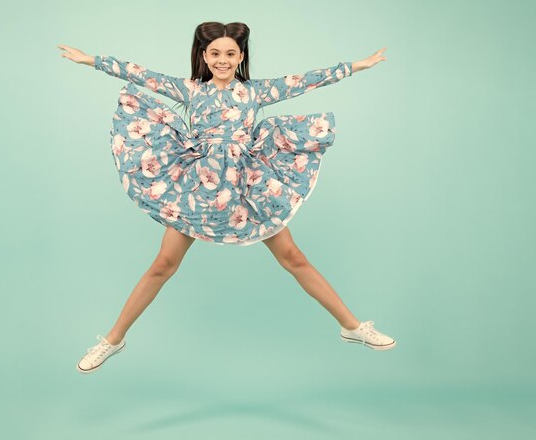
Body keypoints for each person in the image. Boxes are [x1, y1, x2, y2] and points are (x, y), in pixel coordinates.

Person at [57, 21, 396, 374]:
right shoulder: (191, 90)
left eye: (230, 54)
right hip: (198, 192)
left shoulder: (255, 92)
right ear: (204, 56)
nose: (222, 60)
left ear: (240, 57)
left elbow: (306, 80)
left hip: (246, 190)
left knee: (293, 257)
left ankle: (352, 327)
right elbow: (140, 73)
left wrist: (356, 66)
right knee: (163, 265)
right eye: (215, 53)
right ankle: (113, 340)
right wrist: (90, 60)